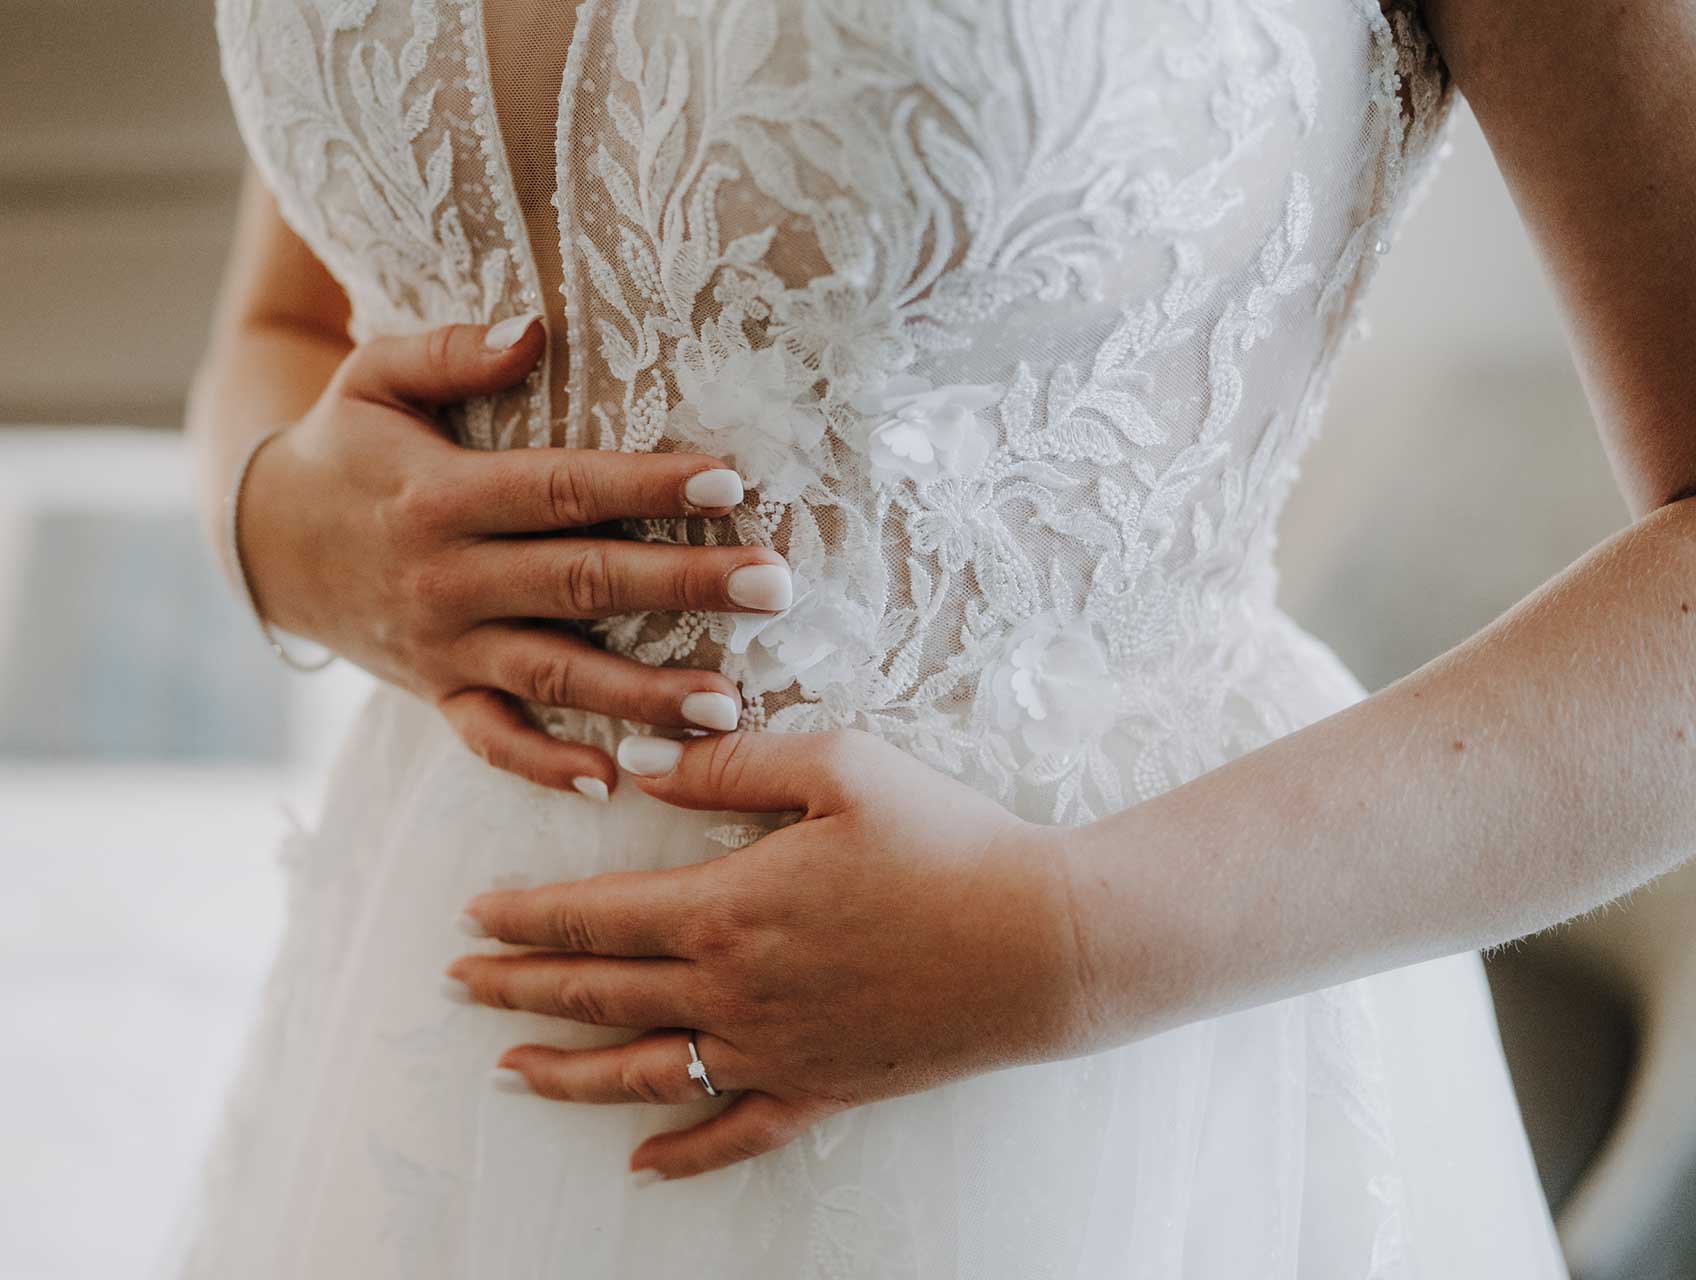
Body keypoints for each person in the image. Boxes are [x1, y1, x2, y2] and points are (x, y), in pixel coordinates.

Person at [181, 1, 1695, 1274]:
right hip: (434, 1014)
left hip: (1076, 1090)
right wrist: (274, 520)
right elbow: (289, 324)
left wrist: (1068, 942)